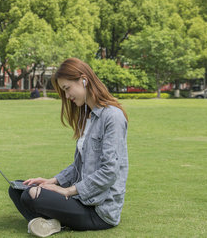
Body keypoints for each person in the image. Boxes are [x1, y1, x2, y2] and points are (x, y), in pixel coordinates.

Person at [8, 57, 129, 237]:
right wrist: (53, 181)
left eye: (67, 88)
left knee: (30, 195)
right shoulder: (85, 117)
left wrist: (67, 191)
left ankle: (53, 222)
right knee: (18, 189)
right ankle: (54, 223)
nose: (66, 96)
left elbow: (109, 171)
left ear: (83, 80)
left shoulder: (113, 117)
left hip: (99, 210)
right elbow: (78, 166)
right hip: (80, 199)